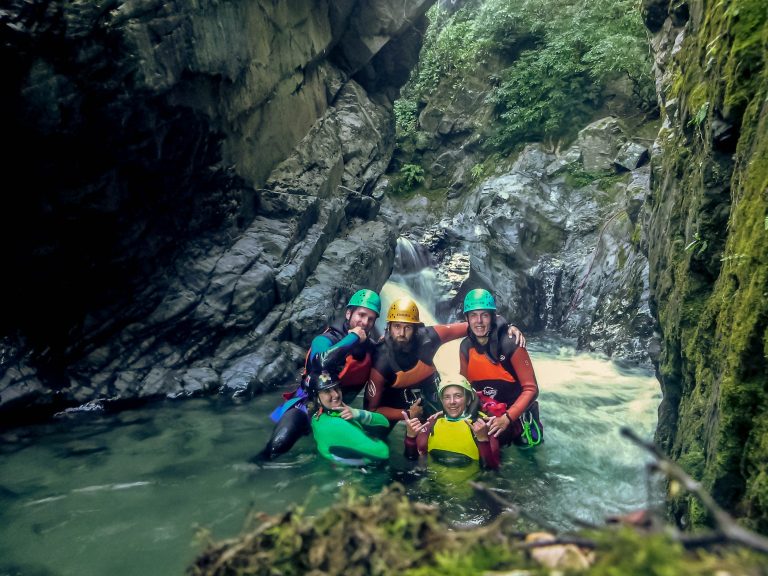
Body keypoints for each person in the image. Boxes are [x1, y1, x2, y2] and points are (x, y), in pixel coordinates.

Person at [365, 296, 525, 430]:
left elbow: (473, 326)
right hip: (394, 400)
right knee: (376, 433)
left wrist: (506, 327)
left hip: (427, 392)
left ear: (416, 329)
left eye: (407, 328)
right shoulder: (382, 360)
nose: (401, 333)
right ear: (388, 328)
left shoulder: (430, 337)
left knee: (451, 423)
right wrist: (405, 413)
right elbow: (371, 409)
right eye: (397, 327)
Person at [257, 288, 381, 461]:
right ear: (348, 314)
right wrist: (352, 338)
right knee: (276, 447)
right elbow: (320, 362)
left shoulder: (369, 348)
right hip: (306, 406)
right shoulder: (324, 340)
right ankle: (253, 469)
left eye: (370, 319)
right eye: (361, 315)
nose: (365, 322)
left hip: (339, 411)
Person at [459, 288, 543, 448]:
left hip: (517, 414)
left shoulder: (511, 344)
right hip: (488, 411)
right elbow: (464, 386)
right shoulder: (465, 347)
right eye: (473, 315)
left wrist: (507, 418)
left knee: (529, 456)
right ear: (467, 319)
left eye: (484, 315)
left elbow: (531, 389)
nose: (479, 321)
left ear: (492, 317)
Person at [402, 374, 500, 469]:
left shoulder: (484, 424)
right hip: (434, 483)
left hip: (471, 484)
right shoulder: (433, 422)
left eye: (458, 396)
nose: (452, 402)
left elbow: (491, 471)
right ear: (442, 401)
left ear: (469, 399)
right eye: (447, 397)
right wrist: (410, 437)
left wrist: (482, 439)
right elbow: (412, 461)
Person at [309, 372, 389, 466]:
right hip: (363, 475)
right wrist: (360, 414)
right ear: (317, 398)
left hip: (339, 467)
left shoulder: (316, 417)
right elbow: (383, 452)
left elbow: (384, 421)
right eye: (327, 391)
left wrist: (356, 413)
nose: (336, 395)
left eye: (336, 388)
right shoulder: (337, 425)